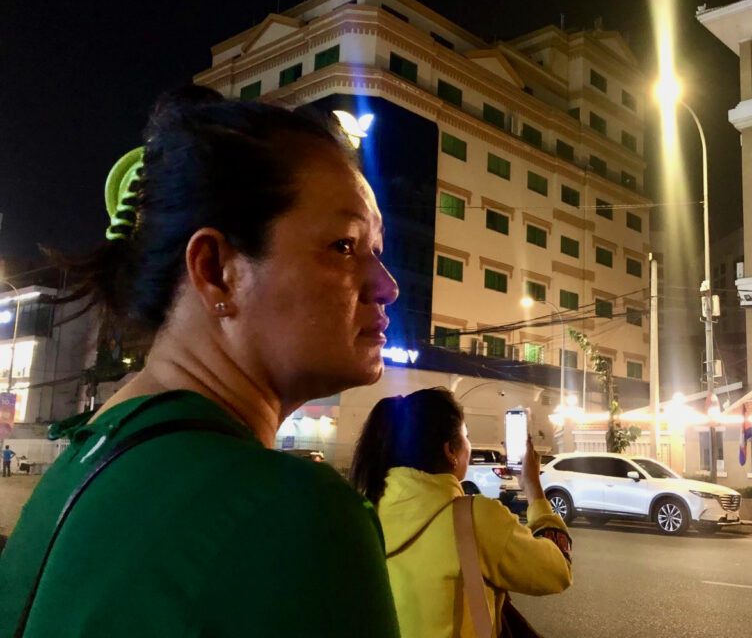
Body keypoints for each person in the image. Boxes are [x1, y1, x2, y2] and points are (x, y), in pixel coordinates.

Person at [0, 86, 401, 636]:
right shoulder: (288, 514)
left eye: (376, 251)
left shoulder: (79, 465)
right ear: (215, 270)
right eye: (345, 246)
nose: (386, 287)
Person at [350, 388, 572, 637]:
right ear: (450, 451)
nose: (469, 444)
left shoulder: (364, 512)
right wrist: (533, 488)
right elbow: (556, 572)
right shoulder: (475, 517)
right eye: (466, 436)